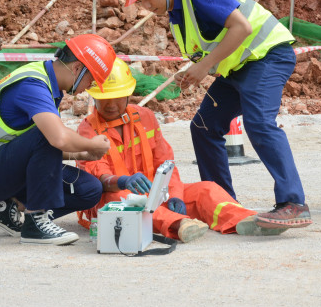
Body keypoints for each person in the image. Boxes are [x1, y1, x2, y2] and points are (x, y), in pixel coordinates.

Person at [117, 0, 311, 229]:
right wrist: (194, 71)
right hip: (239, 69)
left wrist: (204, 65)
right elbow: (210, 49)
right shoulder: (177, 16)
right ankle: (222, 203)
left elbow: (241, 27)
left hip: (267, 56)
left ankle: (293, 203)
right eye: (142, 2)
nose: (148, 6)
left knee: (258, 123)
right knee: (204, 127)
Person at [77, 58, 288, 241]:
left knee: (207, 189)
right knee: (121, 200)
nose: (111, 104)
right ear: (94, 97)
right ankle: (179, 225)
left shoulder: (145, 118)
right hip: (115, 197)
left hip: (156, 193)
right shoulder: (87, 129)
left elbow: (166, 164)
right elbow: (97, 175)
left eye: (117, 97)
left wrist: (175, 195)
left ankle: (246, 220)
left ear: (127, 94)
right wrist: (121, 182)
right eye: (104, 98)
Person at [0, 34, 117, 245]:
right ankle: (35, 223)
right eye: (92, 79)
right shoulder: (33, 84)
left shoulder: (49, 85)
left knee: (89, 190)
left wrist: (82, 153)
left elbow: (40, 150)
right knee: (48, 134)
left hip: (5, 167)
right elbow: (56, 138)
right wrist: (91, 144)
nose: (89, 87)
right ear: (78, 68)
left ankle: (5, 208)